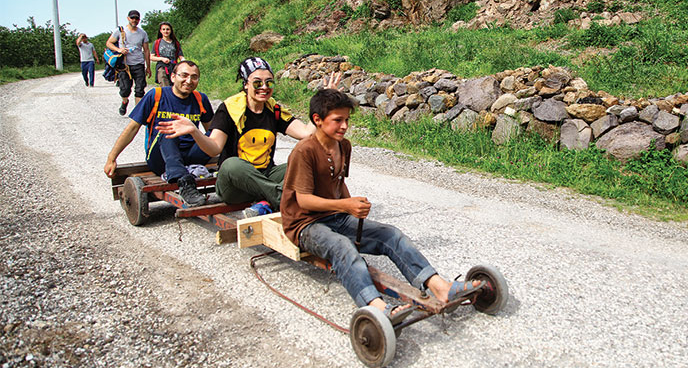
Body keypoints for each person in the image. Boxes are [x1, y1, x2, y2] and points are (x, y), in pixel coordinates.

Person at [278, 88, 483, 321]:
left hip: (335, 216)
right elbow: (303, 200)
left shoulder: (343, 146)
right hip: (305, 224)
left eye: (347, 120)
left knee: (390, 235)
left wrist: (354, 206)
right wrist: (346, 205)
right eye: (337, 120)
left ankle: (440, 287)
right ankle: (375, 305)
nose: (344, 126)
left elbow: (337, 183)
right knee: (342, 247)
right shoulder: (304, 151)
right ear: (317, 120)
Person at [154, 57, 327, 217]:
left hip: (265, 175)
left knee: (307, 161)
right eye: (257, 83)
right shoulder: (229, 108)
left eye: (269, 82)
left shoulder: (273, 109)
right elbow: (214, 147)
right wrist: (194, 131)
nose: (264, 87)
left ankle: (265, 203)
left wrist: (323, 102)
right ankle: (285, 198)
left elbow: (306, 133)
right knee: (231, 164)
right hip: (234, 186)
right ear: (245, 84)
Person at [104, 60, 214, 207]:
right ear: (173, 77)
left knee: (215, 133)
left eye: (194, 77)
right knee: (167, 131)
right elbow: (132, 128)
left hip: (190, 156)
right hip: (161, 158)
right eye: (184, 75)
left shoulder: (201, 99)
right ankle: (185, 184)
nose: (189, 81)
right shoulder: (156, 96)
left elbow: (214, 133)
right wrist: (112, 158)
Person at [106, 9, 151, 116]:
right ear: (128, 18)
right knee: (125, 89)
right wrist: (119, 50)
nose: (134, 20)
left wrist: (148, 66)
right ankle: (124, 101)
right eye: (132, 18)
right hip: (124, 65)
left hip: (139, 64)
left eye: (137, 18)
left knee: (140, 88)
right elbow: (109, 43)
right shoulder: (120, 31)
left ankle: (137, 113)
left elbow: (146, 50)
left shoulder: (142, 33)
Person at [151, 21, 184, 87]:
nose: (166, 31)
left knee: (175, 86)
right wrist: (162, 59)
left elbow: (180, 56)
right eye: (163, 29)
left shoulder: (175, 43)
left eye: (168, 29)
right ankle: (165, 96)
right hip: (161, 66)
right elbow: (151, 57)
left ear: (171, 31)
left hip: (173, 66)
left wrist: (184, 61)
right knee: (164, 85)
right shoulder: (157, 43)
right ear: (160, 31)